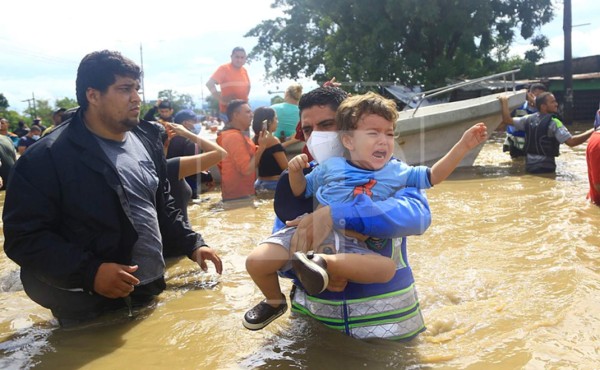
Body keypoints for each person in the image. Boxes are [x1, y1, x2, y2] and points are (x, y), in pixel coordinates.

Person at [2, 49, 222, 327]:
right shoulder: (45, 158)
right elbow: (23, 239)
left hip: (148, 288)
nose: (136, 98)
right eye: (124, 89)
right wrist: (90, 273)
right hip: (85, 305)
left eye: (137, 89)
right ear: (93, 95)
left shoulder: (146, 138)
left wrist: (192, 244)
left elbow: (161, 204)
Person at [243, 92, 487, 330]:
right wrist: (309, 271)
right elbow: (282, 238)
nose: (317, 135)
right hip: (315, 322)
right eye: (308, 129)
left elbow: (418, 216)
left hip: (386, 320)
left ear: (347, 129)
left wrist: (335, 214)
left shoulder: (393, 173)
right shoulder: (304, 178)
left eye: (327, 124)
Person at [499, 92, 594, 174]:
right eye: (552, 102)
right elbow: (572, 142)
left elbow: (507, 120)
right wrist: (594, 129)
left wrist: (504, 102)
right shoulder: (554, 122)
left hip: (529, 167)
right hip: (546, 168)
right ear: (543, 106)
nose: (556, 104)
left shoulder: (528, 119)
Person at [159, 121, 227, 231]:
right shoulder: (170, 167)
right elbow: (220, 153)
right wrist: (186, 133)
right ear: (167, 143)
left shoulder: (147, 169)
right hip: (181, 236)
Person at [216, 100, 270, 202]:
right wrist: (262, 147)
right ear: (236, 115)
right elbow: (247, 170)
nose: (252, 115)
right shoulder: (233, 137)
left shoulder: (234, 134)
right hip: (238, 198)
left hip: (238, 196)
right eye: (248, 112)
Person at [503, 83, 547, 158]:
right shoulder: (518, 106)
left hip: (534, 143)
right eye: (536, 96)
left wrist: (536, 104)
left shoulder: (544, 110)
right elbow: (506, 119)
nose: (538, 99)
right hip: (516, 141)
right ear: (530, 94)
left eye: (541, 97)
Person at [206, 47, 251, 122]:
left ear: (245, 58)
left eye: (242, 57)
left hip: (243, 112)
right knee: (232, 133)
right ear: (231, 57)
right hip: (229, 113)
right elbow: (209, 84)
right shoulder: (224, 69)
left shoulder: (244, 70)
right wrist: (221, 99)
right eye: (237, 57)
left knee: (244, 134)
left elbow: (248, 86)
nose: (239, 60)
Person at [251, 107, 288, 192]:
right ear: (269, 122)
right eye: (276, 118)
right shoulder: (273, 140)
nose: (277, 122)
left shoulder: (254, 140)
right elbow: (286, 168)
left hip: (258, 183)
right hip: (274, 183)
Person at [168, 109, 202, 200]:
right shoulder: (190, 141)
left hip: (169, 184)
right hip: (187, 186)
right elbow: (193, 167)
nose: (197, 124)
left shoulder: (168, 138)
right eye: (194, 121)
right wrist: (206, 176)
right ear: (186, 123)